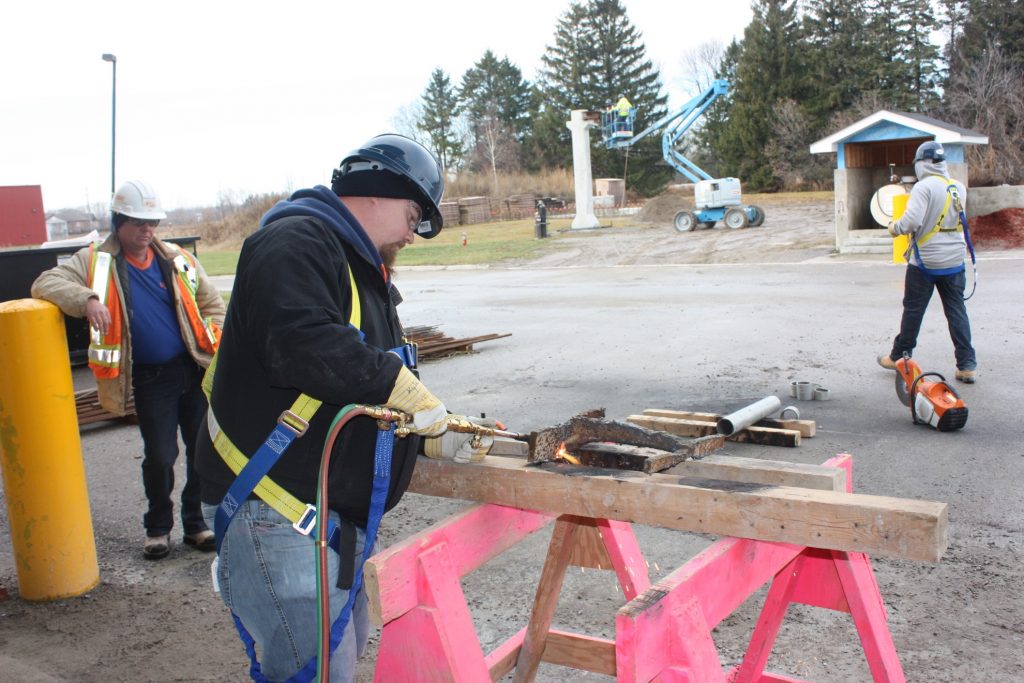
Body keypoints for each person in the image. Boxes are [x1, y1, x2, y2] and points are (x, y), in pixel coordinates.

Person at [195, 133, 495, 682]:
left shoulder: (359, 268)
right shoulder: (295, 241)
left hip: (326, 517)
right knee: (313, 671)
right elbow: (302, 343)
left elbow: (351, 381)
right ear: (377, 193)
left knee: (337, 660)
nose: (411, 232)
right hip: (279, 516)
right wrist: (402, 390)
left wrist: (424, 431)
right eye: (412, 215)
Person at [32, 179, 225, 559]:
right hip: (151, 378)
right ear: (118, 221)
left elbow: (211, 300)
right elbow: (45, 282)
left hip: (193, 369)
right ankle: (157, 528)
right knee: (160, 455)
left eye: (151, 221)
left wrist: (213, 334)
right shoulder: (95, 261)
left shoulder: (175, 258)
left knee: (202, 449)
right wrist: (86, 298)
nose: (146, 229)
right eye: (138, 221)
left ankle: (196, 524)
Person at [878, 141, 977, 383]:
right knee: (956, 311)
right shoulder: (958, 187)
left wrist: (894, 228)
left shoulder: (923, 188)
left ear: (922, 164)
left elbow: (911, 222)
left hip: (926, 262)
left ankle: (899, 357)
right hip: (955, 260)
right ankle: (966, 365)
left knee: (913, 310)